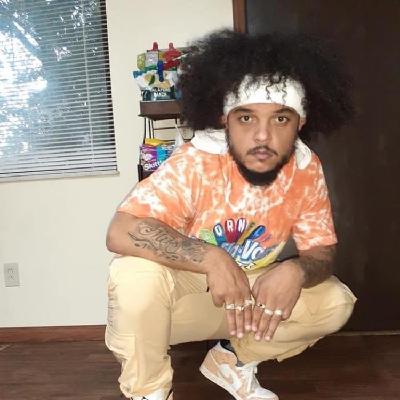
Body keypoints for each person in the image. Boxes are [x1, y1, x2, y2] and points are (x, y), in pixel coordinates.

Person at [105, 30, 357, 400]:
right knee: (133, 274)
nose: (262, 136)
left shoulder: (306, 168)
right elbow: (121, 230)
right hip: (184, 300)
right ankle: (149, 391)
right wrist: (211, 258)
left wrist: (298, 269)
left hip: (248, 300)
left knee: (334, 302)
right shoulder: (197, 161)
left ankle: (233, 361)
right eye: (246, 118)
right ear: (225, 120)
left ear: (300, 122)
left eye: (281, 119)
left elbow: (321, 250)